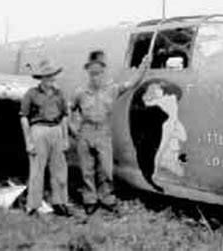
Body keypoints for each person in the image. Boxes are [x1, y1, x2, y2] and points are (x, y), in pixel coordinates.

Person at [70, 50, 150, 215]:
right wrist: (74, 129)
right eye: (92, 74)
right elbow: (70, 110)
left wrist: (143, 66)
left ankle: (107, 198)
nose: (95, 77)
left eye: (98, 73)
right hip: (85, 133)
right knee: (87, 170)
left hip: (103, 133)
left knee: (106, 169)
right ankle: (90, 200)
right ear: (88, 73)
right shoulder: (80, 92)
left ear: (103, 72)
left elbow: (131, 83)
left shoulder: (112, 89)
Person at [20, 59, 71, 217]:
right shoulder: (31, 94)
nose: (50, 80)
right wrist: (28, 141)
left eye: (52, 77)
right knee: (36, 170)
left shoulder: (59, 94)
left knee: (60, 170)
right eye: (47, 77)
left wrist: (65, 138)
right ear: (41, 78)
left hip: (56, 130)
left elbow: (64, 117)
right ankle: (32, 206)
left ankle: (60, 203)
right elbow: (23, 117)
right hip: (38, 130)